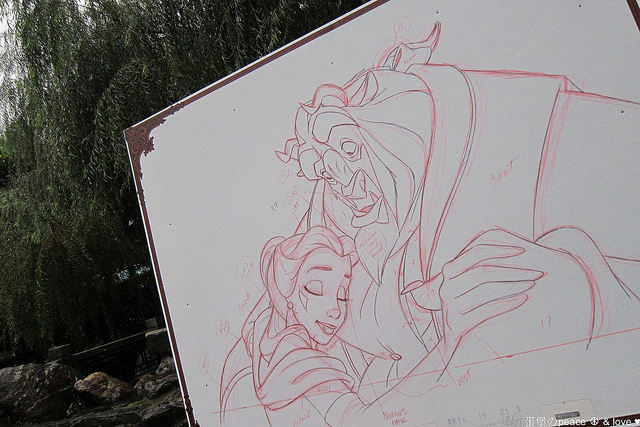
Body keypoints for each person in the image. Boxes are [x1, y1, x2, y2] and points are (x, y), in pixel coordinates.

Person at [220, 226, 359, 425]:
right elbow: (357, 418)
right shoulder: (295, 358)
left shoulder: (260, 332)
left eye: (342, 294)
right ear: (284, 288)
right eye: (316, 289)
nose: (335, 310)